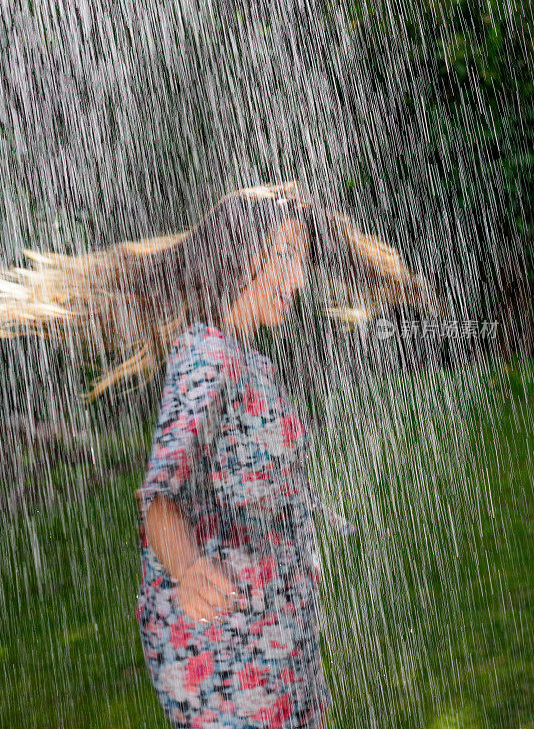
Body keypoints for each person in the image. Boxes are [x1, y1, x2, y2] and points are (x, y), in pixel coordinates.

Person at [0, 181, 440, 728]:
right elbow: (159, 498)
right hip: (233, 657)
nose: (296, 279)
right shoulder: (206, 358)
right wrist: (187, 569)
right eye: (281, 257)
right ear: (237, 255)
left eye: (300, 261)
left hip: (269, 648)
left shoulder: (234, 353)